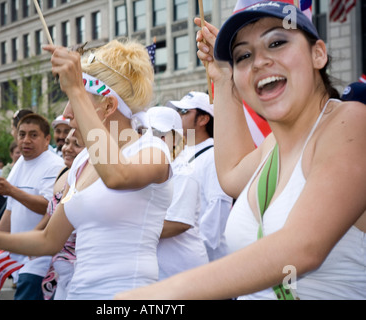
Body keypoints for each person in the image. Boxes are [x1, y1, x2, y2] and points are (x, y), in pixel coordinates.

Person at [116, 2, 366, 300]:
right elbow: (232, 175)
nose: (259, 61)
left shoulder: (350, 121)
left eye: (276, 42)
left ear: (318, 53)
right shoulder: (273, 146)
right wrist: (222, 79)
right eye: (243, 56)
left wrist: (154, 296)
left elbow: (302, 248)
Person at [0, 39, 173, 300]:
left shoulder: (152, 150)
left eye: (76, 100)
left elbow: (118, 176)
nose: (66, 113)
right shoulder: (82, 163)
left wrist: (75, 86)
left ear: (108, 106)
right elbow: (49, 240)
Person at [0, 113, 64, 300]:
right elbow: (10, 211)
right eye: (22, 134)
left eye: (33, 135)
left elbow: (50, 207)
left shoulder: (54, 165)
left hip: (40, 258)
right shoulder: (21, 163)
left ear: (47, 139)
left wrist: (12, 190)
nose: (26, 140)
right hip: (17, 255)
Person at [167, 91, 233, 261]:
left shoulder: (214, 155)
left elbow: (218, 205)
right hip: (180, 251)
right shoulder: (179, 153)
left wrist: (198, 245)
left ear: (204, 119)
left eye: (184, 112)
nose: (178, 116)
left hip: (206, 257)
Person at [147, 106, 209, 280]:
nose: (150, 140)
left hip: (183, 272)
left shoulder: (183, 172)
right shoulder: (148, 170)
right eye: (144, 133)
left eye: (158, 134)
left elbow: (178, 223)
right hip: (160, 272)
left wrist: (132, 228)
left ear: (174, 139)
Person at [39, 128, 85, 300]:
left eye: (77, 144)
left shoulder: (89, 178)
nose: (67, 148)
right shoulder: (63, 172)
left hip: (77, 268)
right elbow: (51, 215)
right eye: (66, 142)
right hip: (57, 266)